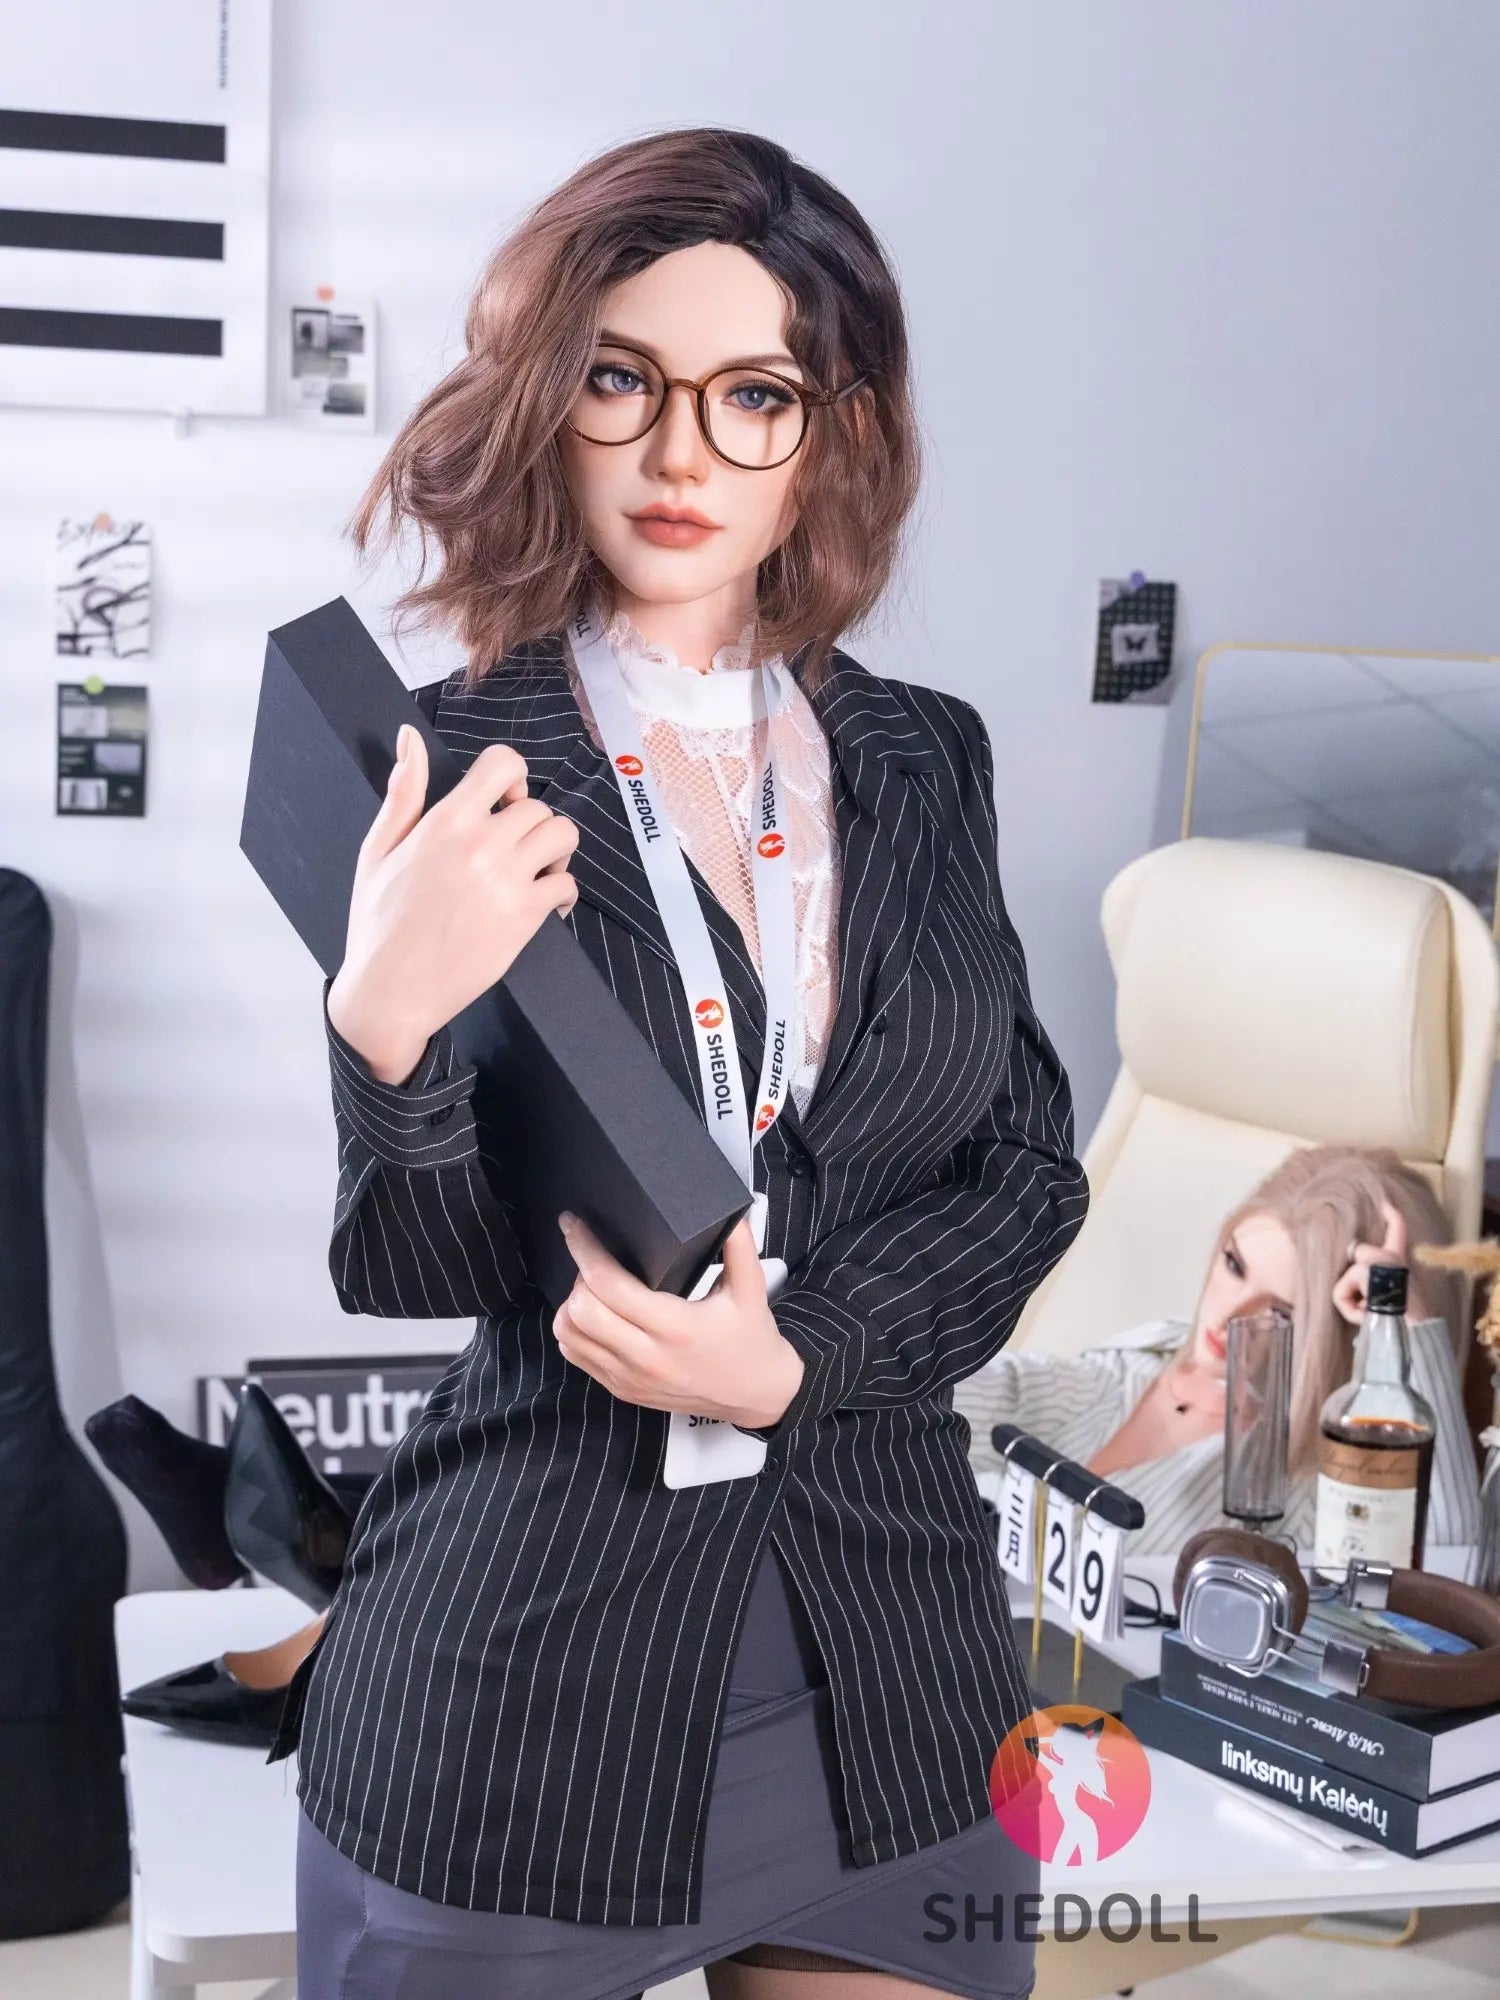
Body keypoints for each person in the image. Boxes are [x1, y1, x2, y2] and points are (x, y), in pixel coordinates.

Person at [281, 127, 1089, 2000]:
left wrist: (804, 1353)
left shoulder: (927, 754)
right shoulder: (446, 763)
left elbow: (1025, 1165)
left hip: (897, 1665)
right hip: (530, 1684)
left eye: (754, 397)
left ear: (830, 433)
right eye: (621, 381)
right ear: (544, 398)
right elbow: (412, 1268)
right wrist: (381, 1025)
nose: (679, 457)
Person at [955, 1144, 1481, 1557]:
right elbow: (977, 1395)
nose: (1229, 1317)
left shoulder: (1305, 1490)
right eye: (1233, 1265)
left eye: (1280, 1312)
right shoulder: (1139, 1359)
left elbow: (1441, 1577)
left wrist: (1404, 1320)